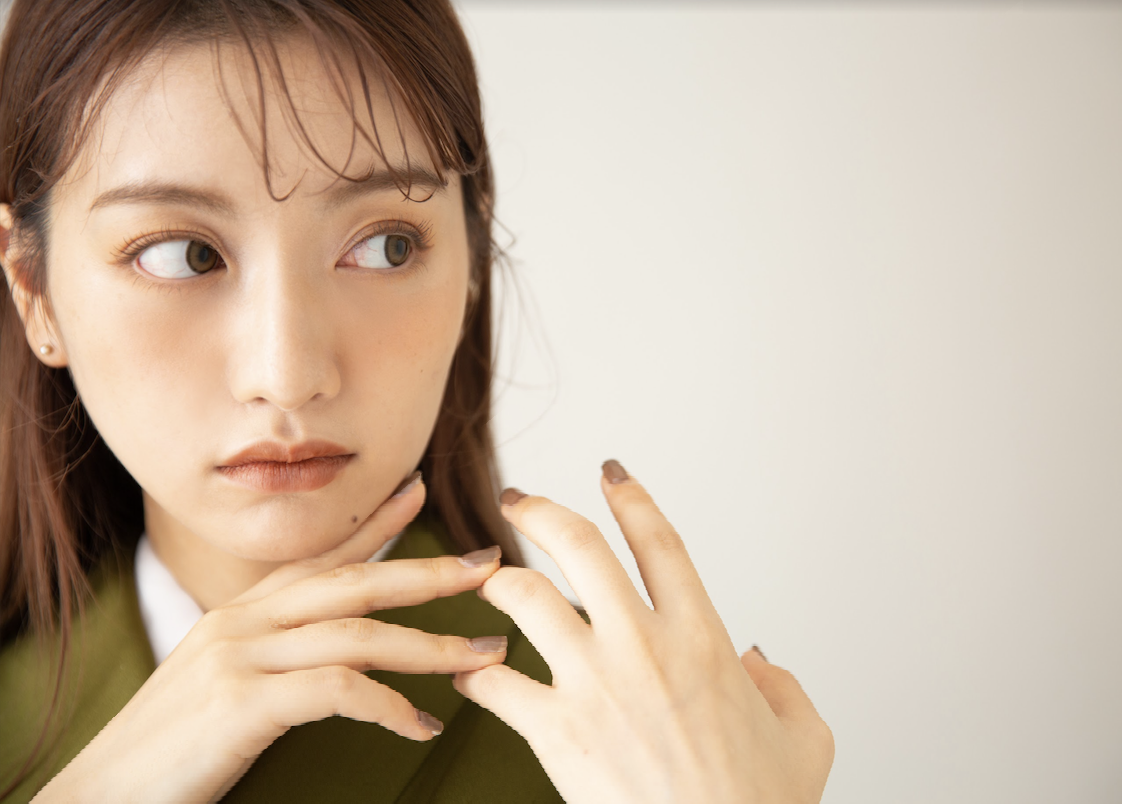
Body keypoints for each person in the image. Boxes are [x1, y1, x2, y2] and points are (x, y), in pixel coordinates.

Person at [0, 0, 834, 800]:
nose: (288, 375)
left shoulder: (643, 754)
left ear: (472, 259)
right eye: (182, 255)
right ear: (33, 290)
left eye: (385, 246)